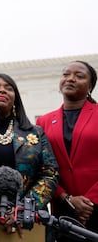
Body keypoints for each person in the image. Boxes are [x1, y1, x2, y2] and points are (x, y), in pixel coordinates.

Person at [0, 73, 59, 241]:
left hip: (30, 221)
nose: (2, 90)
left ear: (15, 98)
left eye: (9, 88)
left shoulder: (35, 133)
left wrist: (23, 209)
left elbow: (50, 173)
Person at [36, 60, 98, 242]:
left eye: (79, 76)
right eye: (66, 74)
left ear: (90, 86)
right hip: (63, 211)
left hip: (95, 207)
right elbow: (41, 166)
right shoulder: (43, 122)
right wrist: (67, 198)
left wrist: (89, 201)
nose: (70, 79)